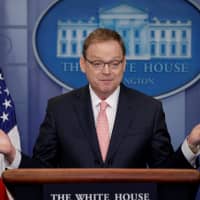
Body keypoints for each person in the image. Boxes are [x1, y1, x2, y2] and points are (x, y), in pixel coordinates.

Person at [0, 28, 200, 199]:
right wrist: (11, 153)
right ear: (82, 64)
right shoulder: (59, 108)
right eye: (97, 63)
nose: (107, 71)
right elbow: (40, 174)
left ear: (124, 64)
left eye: (114, 63)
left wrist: (190, 145)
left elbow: (165, 175)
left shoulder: (149, 109)